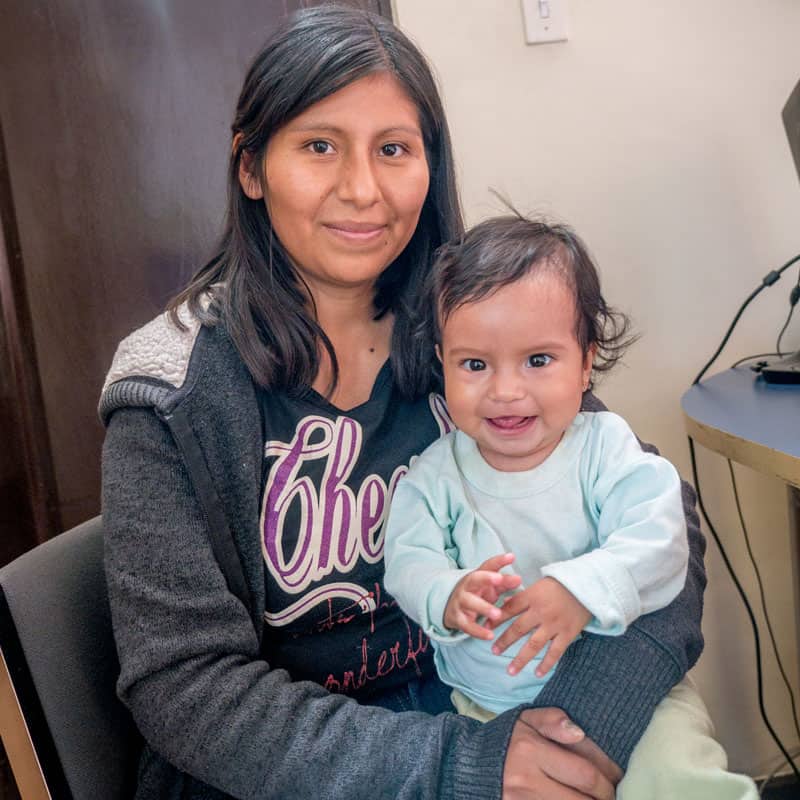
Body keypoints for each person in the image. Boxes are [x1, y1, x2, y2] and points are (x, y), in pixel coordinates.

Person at [100, 6, 706, 799]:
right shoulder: (168, 388)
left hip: (496, 702)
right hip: (305, 765)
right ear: (251, 168)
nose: (362, 190)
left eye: (394, 149)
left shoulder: (476, 325)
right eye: (319, 146)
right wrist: (462, 768)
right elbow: (186, 688)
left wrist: (577, 726)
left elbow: (662, 524)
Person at [383, 216, 759, 798]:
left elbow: (660, 539)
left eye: (538, 360)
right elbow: (407, 560)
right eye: (475, 365)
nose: (506, 390)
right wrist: (447, 593)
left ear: (586, 362)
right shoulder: (435, 475)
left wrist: (580, 590)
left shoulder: (604, 447)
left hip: (637, 699)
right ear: (443, 362)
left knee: (681, 781)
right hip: (486, 709)